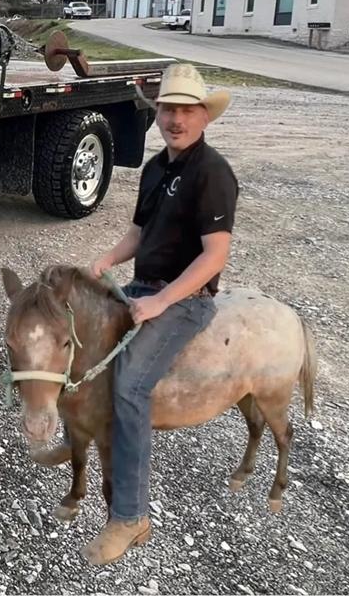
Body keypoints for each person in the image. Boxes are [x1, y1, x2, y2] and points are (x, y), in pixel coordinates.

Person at [81, 62, 238, 566]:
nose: (176, 119)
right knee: (79, 333)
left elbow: (214, 256)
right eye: (168, 108)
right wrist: (108, 259)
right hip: (144, 286)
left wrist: (162, 301)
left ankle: (130, 517)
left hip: (186, 300)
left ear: (204, 117)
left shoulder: (212, 173)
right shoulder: (154, 168)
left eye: (187, 110)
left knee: (129, 384)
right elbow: (140, 235)